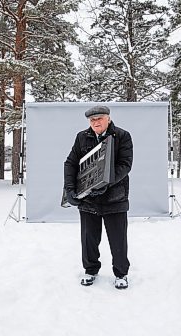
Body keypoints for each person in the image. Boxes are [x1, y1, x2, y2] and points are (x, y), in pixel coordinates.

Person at [63, 105, 133, 290]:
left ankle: (121, 274)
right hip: (88, 199)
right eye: (92, 120)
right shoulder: (81, 137)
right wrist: (70, 189)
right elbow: (70, 163)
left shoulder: (122, 136)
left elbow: (125, 165)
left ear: (108, 119)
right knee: (89, 239)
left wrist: (104, 183)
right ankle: (90, 269)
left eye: (99, 119)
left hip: (115, 198)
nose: (95, 123)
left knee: (118, 239)